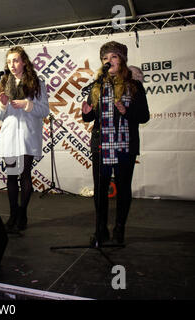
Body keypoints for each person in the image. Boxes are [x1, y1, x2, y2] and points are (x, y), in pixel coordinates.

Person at [82, 41, 150, 245]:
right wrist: (86, 114)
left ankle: (119, 229)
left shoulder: (134, 85)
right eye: (105, 58)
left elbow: (144, 116)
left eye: (113, 57)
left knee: (123, 187)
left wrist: (125, 111)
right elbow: (90, 117)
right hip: (101, 145)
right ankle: (101, 230)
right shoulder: (96, 86)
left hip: (124, 145)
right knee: (100, 189)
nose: (109, 61)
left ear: (122, 61)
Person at [0, 46, 50, 233]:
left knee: (25, 175)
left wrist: (27, 104)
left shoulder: (37, 83)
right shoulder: (4, 83)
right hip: (9, 136)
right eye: (9, 61)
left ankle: (23, 212)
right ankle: (13, 214)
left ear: (24, 61)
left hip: (27, 135)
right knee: (11, 176)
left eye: (16, 60)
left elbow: (44, 110)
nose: (12, 65)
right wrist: (2, 105)